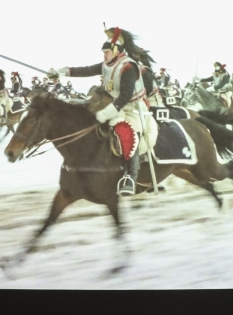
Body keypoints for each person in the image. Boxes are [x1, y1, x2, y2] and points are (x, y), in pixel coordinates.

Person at [47, 26, 158, 197]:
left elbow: (126, 95)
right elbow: (86, 70)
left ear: (115, 51)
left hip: (134, 108)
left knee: (127, 132)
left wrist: (106, 113)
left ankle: (130, 177)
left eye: (106, 52)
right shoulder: (108, 64)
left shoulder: (128, 67)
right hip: (115, 104)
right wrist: (62, 72)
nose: (103, 55)